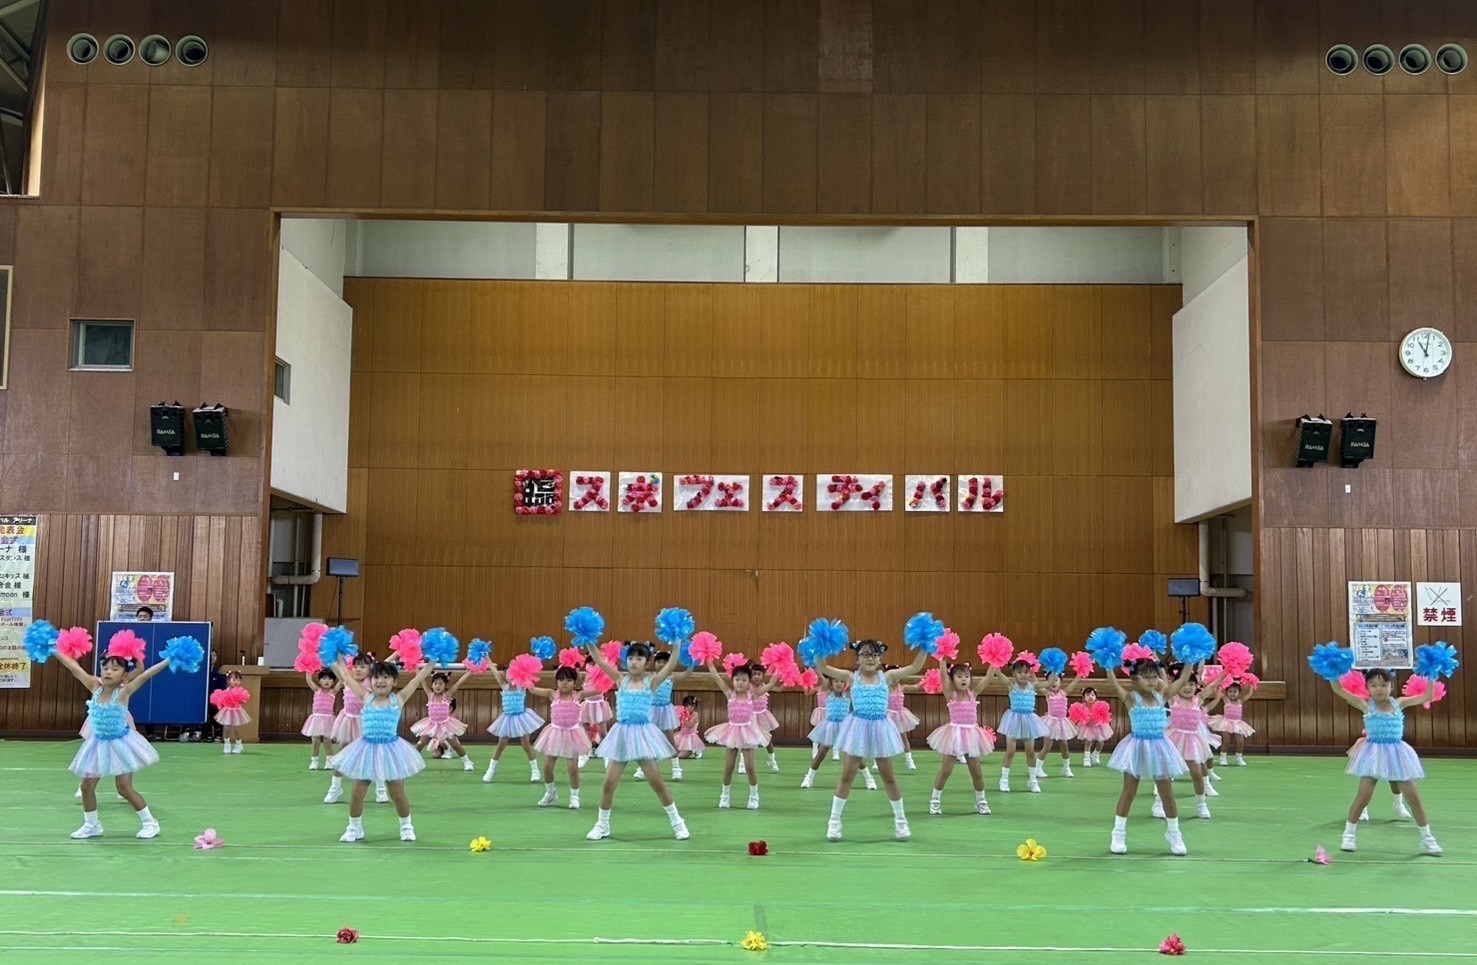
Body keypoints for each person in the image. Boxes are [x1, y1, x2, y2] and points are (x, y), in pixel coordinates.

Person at [814, 638, 929, 842]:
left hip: (881, 729)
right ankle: (834, 821)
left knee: (889, 777)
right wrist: (820, 648)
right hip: (857, 728)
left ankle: (901, 820)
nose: (870, 659)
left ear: (880, 658)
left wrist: (924, 646)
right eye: (865, 654)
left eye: (875, 655)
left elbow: (915, 667)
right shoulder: (851, 677)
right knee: (847, 775)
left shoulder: (888, 677)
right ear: (857, 658)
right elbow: (823, 667)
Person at [53, 648, 171, 840]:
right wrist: (54, 651)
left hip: (121, 745)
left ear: (124, 676)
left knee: (124, 788)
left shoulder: (123, 692)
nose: (108, 672)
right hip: (97, 745)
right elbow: (74, 668)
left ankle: (150, 823)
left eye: (115, 669)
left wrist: (169, 660)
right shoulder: (94, 687)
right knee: (86, 786)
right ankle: (92, 825)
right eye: (105, 668)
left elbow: (146, 675)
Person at [580, 641, 690, 842]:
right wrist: (588, 640)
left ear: (647, 663)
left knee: (657, 782)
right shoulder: (620, 680)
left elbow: (670, 665)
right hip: (621, 735)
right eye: (630, 658)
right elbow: (600, 661)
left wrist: (677, 644)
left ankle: (677, 822)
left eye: (639, 658)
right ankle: (602, 824)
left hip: (643, 736)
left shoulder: (652, 682)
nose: (633, 662)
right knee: (608, 784)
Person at [1329, 668, 1441, 855]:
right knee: (1363, 796)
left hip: (1398, 753)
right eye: (1373, 685)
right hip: (1372, 754)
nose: (1379, 689)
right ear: (1367, 688)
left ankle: (1427, 838)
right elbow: (1339, 690)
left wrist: (1431, 674)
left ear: (1391, 686)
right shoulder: (1365, 705)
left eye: (1383, 685)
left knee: (1413, 798)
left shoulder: (1399, 703)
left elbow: (1427, 695)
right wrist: (1331, 672)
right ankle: (1348, 835)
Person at [327, 656, 436, 843]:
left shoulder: (398, 699)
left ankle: (406, 826)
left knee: (397, 793)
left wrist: (433, 661)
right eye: (376, 677)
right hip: (366, 750)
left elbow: (419, 678)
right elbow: (345, 676)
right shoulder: (366, 697)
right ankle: (354, 828)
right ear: (371, 680)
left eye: (386, 677)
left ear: (395, 681)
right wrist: (337, 656)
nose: (380, 681)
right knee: (357, 793)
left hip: (391, 751)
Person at [1101, 658, 1192, 856]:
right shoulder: (1131, 699)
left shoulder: (1162, 696)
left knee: (1167, 793)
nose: (1151, 681)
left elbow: (1183, 679)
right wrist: (1108, 665)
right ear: (1135, 679)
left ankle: (1174, 833)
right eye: (1146, 677)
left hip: (1160, 747)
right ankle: (1118, 833)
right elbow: (1114, 685)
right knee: (1128, 792)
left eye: (1154, 676)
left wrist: (1191, 659)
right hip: (1136, 747)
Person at [927, 660, 996, 816]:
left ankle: (981, 801)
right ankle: (935, 800)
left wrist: (994, 660)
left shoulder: (973, 694)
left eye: (966, 676)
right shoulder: (950, 695)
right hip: (954, 735)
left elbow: (988, 678)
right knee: (946, 770)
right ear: (952, 680)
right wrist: (942, 657)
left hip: (972, 735)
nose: (963, 679)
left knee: (977, 772)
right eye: (959, 676)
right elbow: (943, 674)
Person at [705, 661, 775, 810]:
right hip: (732, 732)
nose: (740, 683)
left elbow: (770, 685)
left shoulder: (752, 696)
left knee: (750, 767)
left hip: (748, 732)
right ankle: (725, 795)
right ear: (732, 680)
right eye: (737, 679)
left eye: (744, 680)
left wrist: (780, 668)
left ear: (749, 682)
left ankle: (754, 796)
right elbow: (716, 677)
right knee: (729, 767)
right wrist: (710, 663)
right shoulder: (729, 694)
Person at [531, 666, 594, 808]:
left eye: (569, 680)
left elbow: (599, 690)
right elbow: (532, 689)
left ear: (575, 683)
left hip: (573, 734)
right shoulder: (552, 694)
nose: (564, 683)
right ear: (556, 682)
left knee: (573, 768)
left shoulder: (579, 696)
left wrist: (592, 676)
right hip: (555, 733)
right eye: (561, 680)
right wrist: (523, 677)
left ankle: (574, 796)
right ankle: (550, 792)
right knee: (547, 767)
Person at [482, 662, 546, 783]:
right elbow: (494, 671)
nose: (511, 676)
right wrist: (487, 658)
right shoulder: (504, 686)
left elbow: (530, 669)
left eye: (514, 673)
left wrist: (537, 658)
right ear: (505, 675)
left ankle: (535, 770)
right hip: (507, 719)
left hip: (522, 718)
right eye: (508, 673)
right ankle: (490, 770)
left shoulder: (522, 686)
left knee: (526, 744)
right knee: (501, 744)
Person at [998, 659, 1049, 793]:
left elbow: (1049, 683)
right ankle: (1004, 779)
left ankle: (1032, 780)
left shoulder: (1033, 686)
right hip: (1013, 720)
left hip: (1029, 721)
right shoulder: (1011, 686)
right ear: (1014, 674)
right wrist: (995, 660)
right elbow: (998, 673)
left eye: (1026, 672)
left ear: (1030, 673)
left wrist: (1055, 668)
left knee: (1030, 752)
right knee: (1010, 751)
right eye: (1019, 672)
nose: (1023, 675)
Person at [411, 670, 475, 771]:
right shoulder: (430, 695)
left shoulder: (447, 695)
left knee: (455, 745)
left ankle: (467, 762)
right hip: (431, 725)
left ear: (445, 685)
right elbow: (421, 679)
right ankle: (411, 762)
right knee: (420, 743)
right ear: (432, 685)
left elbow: (459, 682)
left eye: (441, 684)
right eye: (435, 683)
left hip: (445, 725)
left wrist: (469, 672)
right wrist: (416, 668)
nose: (438, 686)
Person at [1034, 669, 1086, 779]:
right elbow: (1037, 684)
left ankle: (1066, 768)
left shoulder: (1064, 692)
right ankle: (1037, 769)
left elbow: (1074, 683)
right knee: (1047, 747)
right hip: (1050, 723)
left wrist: (1079, 674)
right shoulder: (1048, 694)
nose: (1054, 682)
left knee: (1064, 746)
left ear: (1060, 681)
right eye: (1051, 680)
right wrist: (1032, 673)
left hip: (1062, 723)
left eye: (1056, 680)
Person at [301, 669, 341, 770]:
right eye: (324, 678)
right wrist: (308, 670)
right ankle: (314, 761)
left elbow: (342, 681)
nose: (327, 681)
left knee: (327, 741)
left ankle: (329, 761)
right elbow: (309, 680)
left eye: (330, 679)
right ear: (319, 681)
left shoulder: (333, 691)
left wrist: (344, 670)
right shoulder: (317, 690)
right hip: (316, 719)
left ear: (333, 681)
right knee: (315, 741)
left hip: (328, 719)